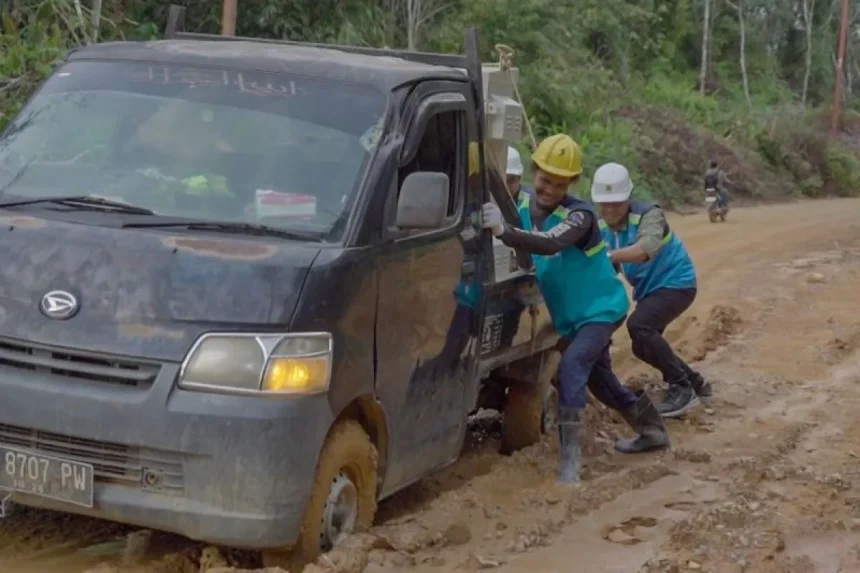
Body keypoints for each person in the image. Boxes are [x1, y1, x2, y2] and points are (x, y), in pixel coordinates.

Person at [481, 135, 670, 484]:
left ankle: (569, 465)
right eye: (544, 179)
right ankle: (653, 430)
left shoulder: (579, 215)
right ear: (534, 172)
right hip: (573, 319)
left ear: (571, 184)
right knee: (603, 385)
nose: (549, 188)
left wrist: (503, 230)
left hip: (601, 311)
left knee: (571, 368)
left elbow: (550, 243)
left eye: (558, 183)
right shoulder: (521, 207)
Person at [591, 162, 712, 419]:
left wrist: (608, 256)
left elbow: (646, 248)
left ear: (629, 198)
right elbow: (600, 273)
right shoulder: (600, 227)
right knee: (641, 346)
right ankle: (696, 383)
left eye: (617, 202)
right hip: (650, 291)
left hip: (676, 283)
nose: (610, 209)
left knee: (640, 326)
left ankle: (681, 389)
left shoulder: (649, 215)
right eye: (605, 203)